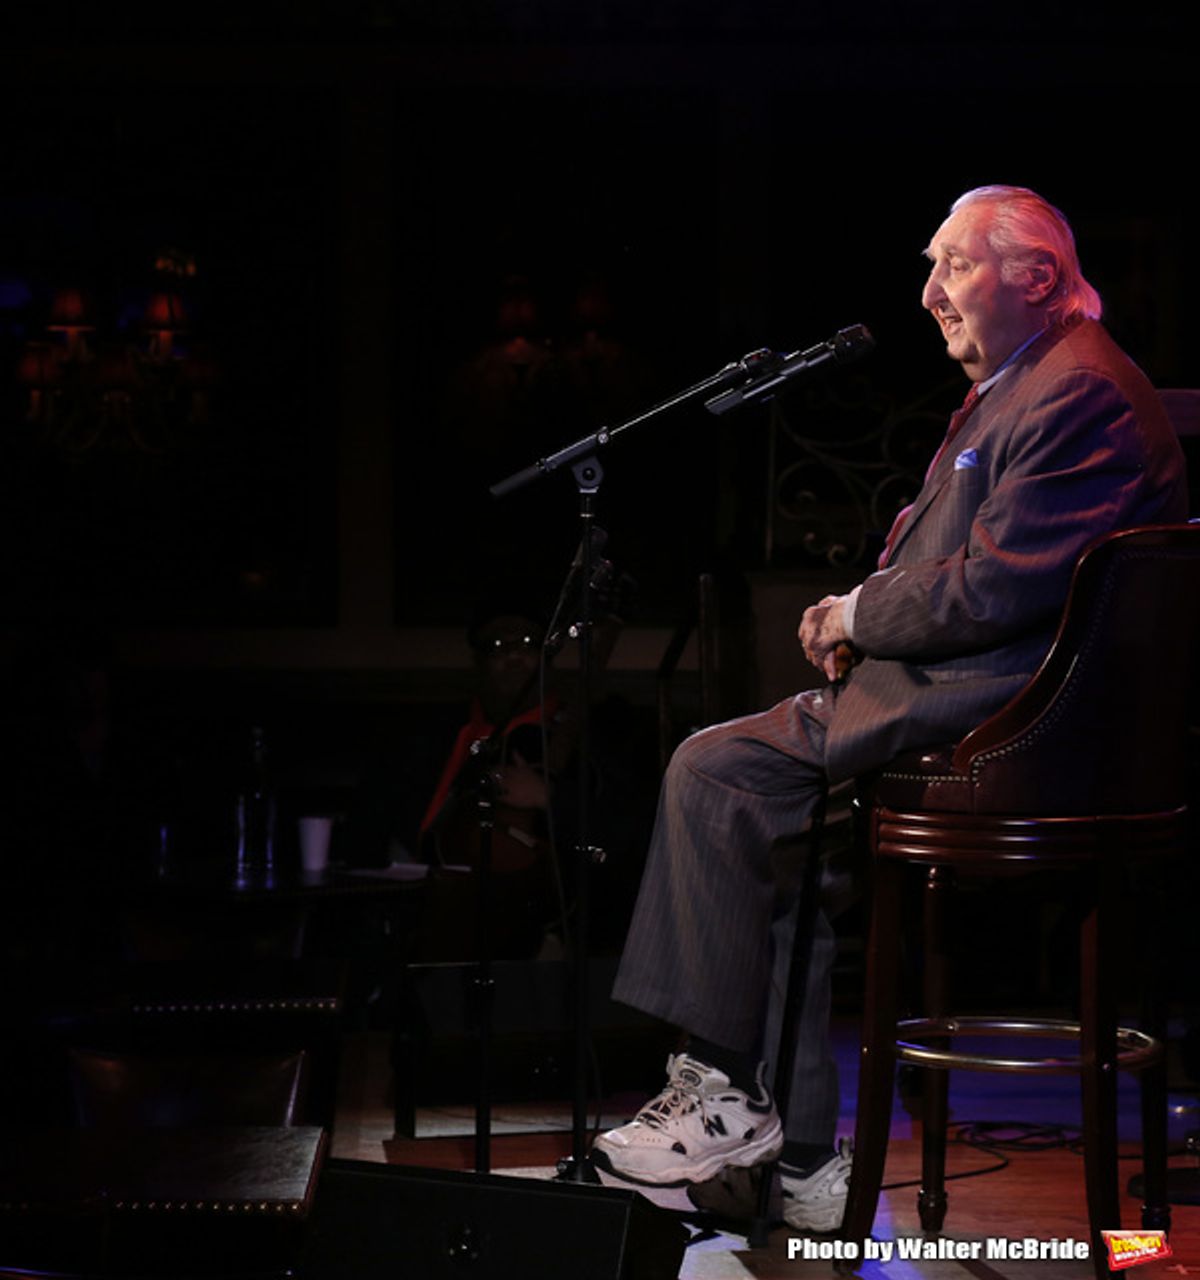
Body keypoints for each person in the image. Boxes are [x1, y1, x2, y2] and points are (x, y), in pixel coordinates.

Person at [590, 185, 1189, 1231]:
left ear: (1037, 276)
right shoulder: (1031, 382)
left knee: (714, 769)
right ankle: (809, 1158)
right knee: (773, 827)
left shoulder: (1076, 391)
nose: (929, 294)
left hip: (1008, 719)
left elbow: (998, 583)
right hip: (971, 691)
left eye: (952, 265)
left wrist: (860, 612)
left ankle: (726, 1092)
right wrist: (860, 616)